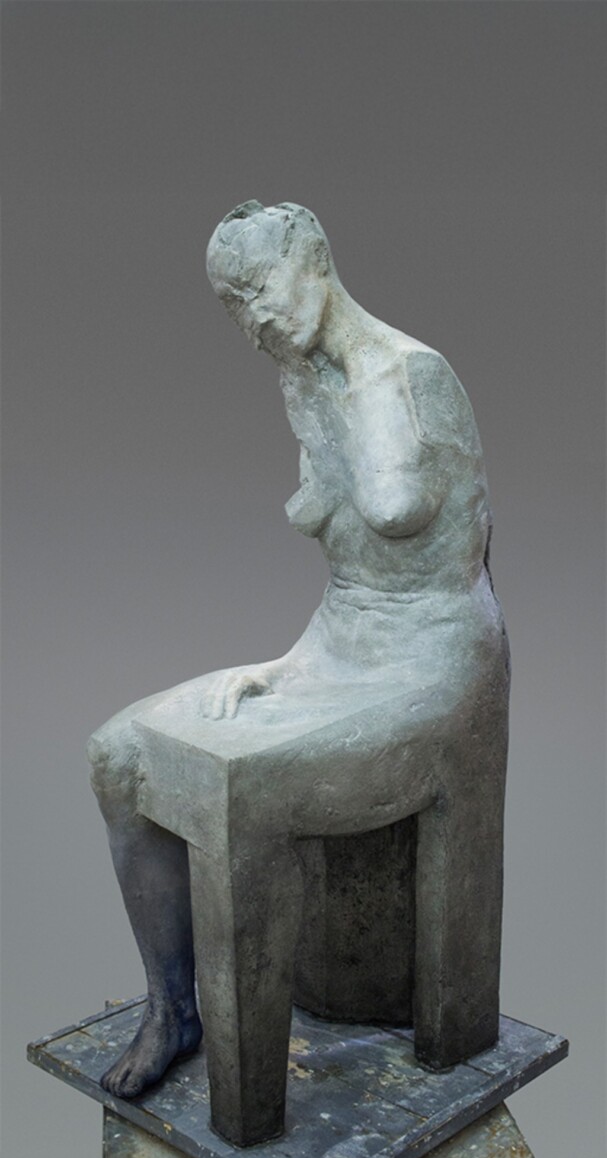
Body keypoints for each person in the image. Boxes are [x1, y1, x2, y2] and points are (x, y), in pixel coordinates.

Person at [88, 200, 508, 1097]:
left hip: (432, 663)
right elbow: (345, 566)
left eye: (257, 289)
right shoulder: (303, 379)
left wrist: (335, 380)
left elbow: (397, 508)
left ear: (314, 258)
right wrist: (282, 669)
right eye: (231, 306)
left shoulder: (411, 372)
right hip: (334, 646)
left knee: (230, 779)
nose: (253, 321)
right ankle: (173, 1010)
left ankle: (250, 1105)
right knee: (118, 753)